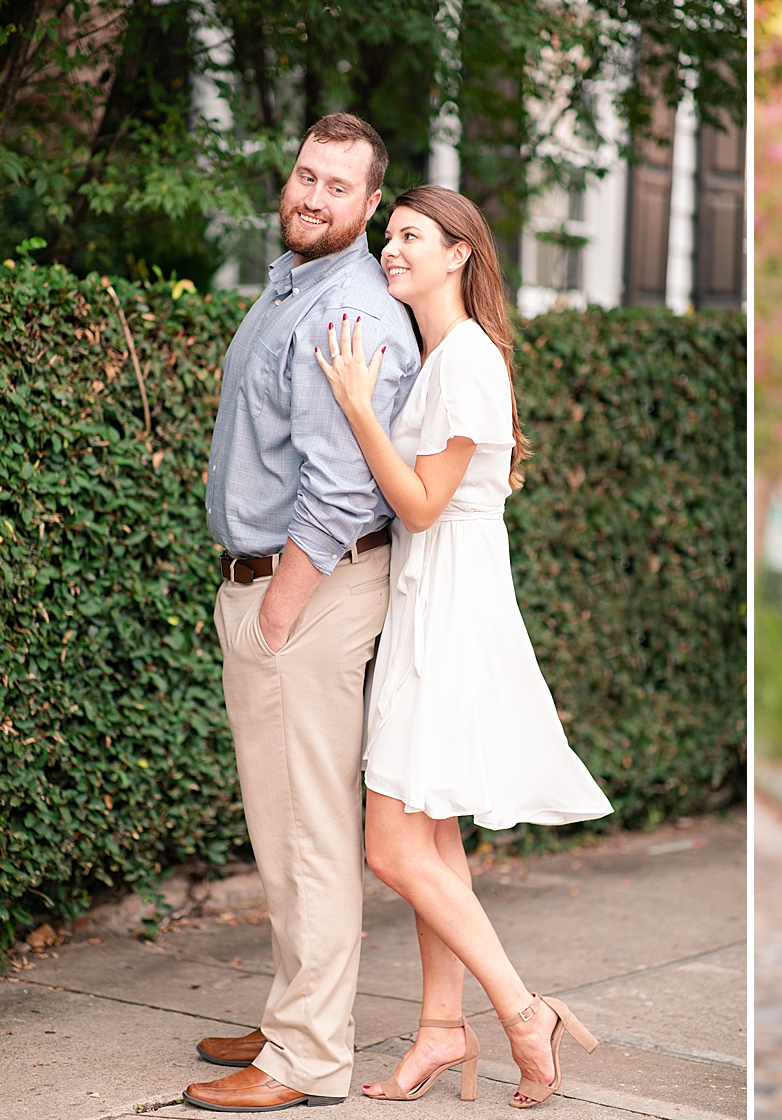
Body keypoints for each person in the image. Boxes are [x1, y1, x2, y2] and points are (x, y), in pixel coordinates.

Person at [315, 183, 614, 1107]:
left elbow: (421, 502)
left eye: (410, 236)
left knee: (393, 850)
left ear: (461, 254)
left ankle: (524, 1011)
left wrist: (359, 406)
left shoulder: (467, 361)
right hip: (432, 597)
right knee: (433, 840)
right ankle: (441, 1030)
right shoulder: (443, 354)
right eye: (389, 235)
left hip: (449, 608)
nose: (391, 249)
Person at [185, 114, 423, 1111]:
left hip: (307, 595)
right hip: (285, 587)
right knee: (285, 825)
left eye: (338, 187)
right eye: (305, 176)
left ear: (371, 207)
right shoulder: (295, 282)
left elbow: (338, 491)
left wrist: (278, 610)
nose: (313, 196)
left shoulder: (349, 315)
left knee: (309, 834)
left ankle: (306, 1059)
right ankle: (295, 1011)